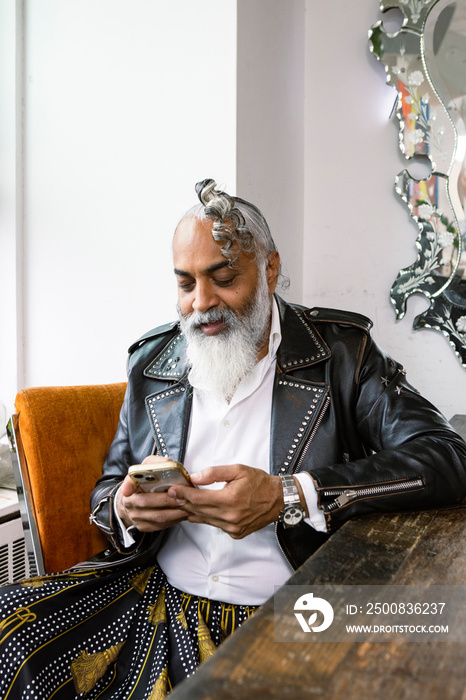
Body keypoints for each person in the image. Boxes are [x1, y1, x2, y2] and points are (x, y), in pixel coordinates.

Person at [1, 178, 466, 699]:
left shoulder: (342, 354)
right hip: (160, 601)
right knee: (11, 634)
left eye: (223, 278)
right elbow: (109, 487)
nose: (202, 303)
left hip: (294, 608)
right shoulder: (153, 364)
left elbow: (446, 456)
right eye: (185, 283)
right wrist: (127, 511)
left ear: (269, 269)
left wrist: (289, 494)